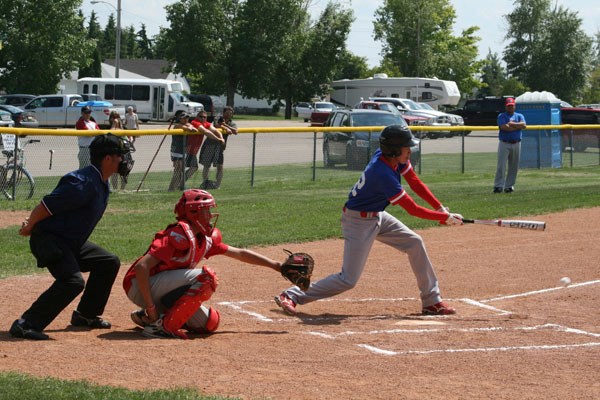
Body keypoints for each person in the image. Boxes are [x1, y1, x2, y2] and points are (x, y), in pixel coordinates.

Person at [274, 125, 463, 317]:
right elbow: (412, 209)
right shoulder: (382, 173)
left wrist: (440, 208)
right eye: (407, 147)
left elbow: (415, 181)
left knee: (415, 242)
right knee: (348, 279)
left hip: (377, 215)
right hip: (358, 222)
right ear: (395, 150)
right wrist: (444, 218)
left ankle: (432, 301)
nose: (410, 150)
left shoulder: (390, 157)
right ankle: (292, 295)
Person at [10, 133, 134, 340]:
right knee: (72, 282)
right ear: (107, 159)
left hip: (69, 242)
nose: (125, 160)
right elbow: (46, 205)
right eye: (121, 155)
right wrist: (30, 224)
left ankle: (85, 315)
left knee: (108, 262)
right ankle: (26, 324)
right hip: (49, 240)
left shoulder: (100, 180)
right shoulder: (82, 182)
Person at [122, 189, 282, 339]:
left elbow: (239, 253)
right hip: (139, 286)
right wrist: (151, 307)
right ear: (193, 213)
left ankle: (149, 318)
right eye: (206, 211)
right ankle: (158, 326)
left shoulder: (203, 238)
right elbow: (141, 267)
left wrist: (277, 265)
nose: (210, 215)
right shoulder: (176, 235)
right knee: (206, 277)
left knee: (209, 323)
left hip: (159, 289)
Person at [199, 106, 237, 189]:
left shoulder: (232, 123)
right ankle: (205, 183)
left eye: (230, 114)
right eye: (227, 113)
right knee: (207, 165)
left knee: (220, 166)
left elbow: (235, 131)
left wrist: (226, 126)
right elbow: (216, 125)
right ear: (223, 113)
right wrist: (224, 127)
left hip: (220, 148)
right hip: (210, 145)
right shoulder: (218, 118)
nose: (228, 115)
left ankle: (217, 185)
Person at [493, 97, 526, 193]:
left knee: (514, 166)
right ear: (506, 107)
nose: (510, 107)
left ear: (515, 106)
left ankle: (509, 186)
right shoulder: (502, 116)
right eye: (509, 106)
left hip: (516, 143)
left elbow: (524, 125)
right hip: (504, 143)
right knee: (501, 165)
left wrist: (511, 124)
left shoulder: (519, 115)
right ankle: (498, 186)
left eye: (512, 105)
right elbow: (504, 127)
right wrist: (517, 126)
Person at [185, 110, 225, 183]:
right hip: (187, 149)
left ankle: (180, 183)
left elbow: (216, 130)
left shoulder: (205, 123)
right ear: (197, 117)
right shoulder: (195, 122)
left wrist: (221, 137)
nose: (203, 118)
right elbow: (206, 131)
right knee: (192, 167)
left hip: (193, 151)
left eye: (204, 117)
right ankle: (180, 184)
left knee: (193, 167)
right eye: (201, 117)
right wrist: (218, 139)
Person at [168, 112, 198, 192]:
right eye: (184, 118)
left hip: (183, 150)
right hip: (176, 150)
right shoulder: (177, 125)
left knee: (180, 170)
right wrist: (190, 127)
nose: (186, 119)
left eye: (187, 118)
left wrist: (190, 126)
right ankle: (171, 189)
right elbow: (189, 128)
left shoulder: (187, 124)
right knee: (178, 169)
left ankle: (177, 187)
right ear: (179, 119)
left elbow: (191, 127)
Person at [108, 111, 135, 191]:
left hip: (125, 152)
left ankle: (123, 189)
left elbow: (131, 137)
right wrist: (114, 124)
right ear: (111, 118)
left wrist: (130, 139)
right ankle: (115, 189)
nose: (116, 119)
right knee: (114, 171)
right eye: (114, 117)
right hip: (115, 152)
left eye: (117, 116)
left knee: (125, 171)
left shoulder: (124, 128)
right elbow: (110, 134)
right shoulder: (109, 127)